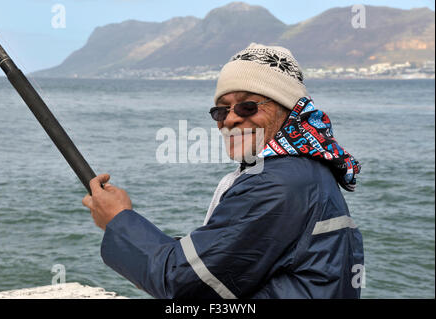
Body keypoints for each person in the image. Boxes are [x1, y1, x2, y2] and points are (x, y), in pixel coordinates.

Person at [82, 43, 364, 299]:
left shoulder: (278, 184)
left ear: (288, 111)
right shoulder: (305, 172)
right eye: (221, 110)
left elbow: (183, 283)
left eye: (247, 106)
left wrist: (118, 220)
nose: (229, 120)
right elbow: (220, 265)